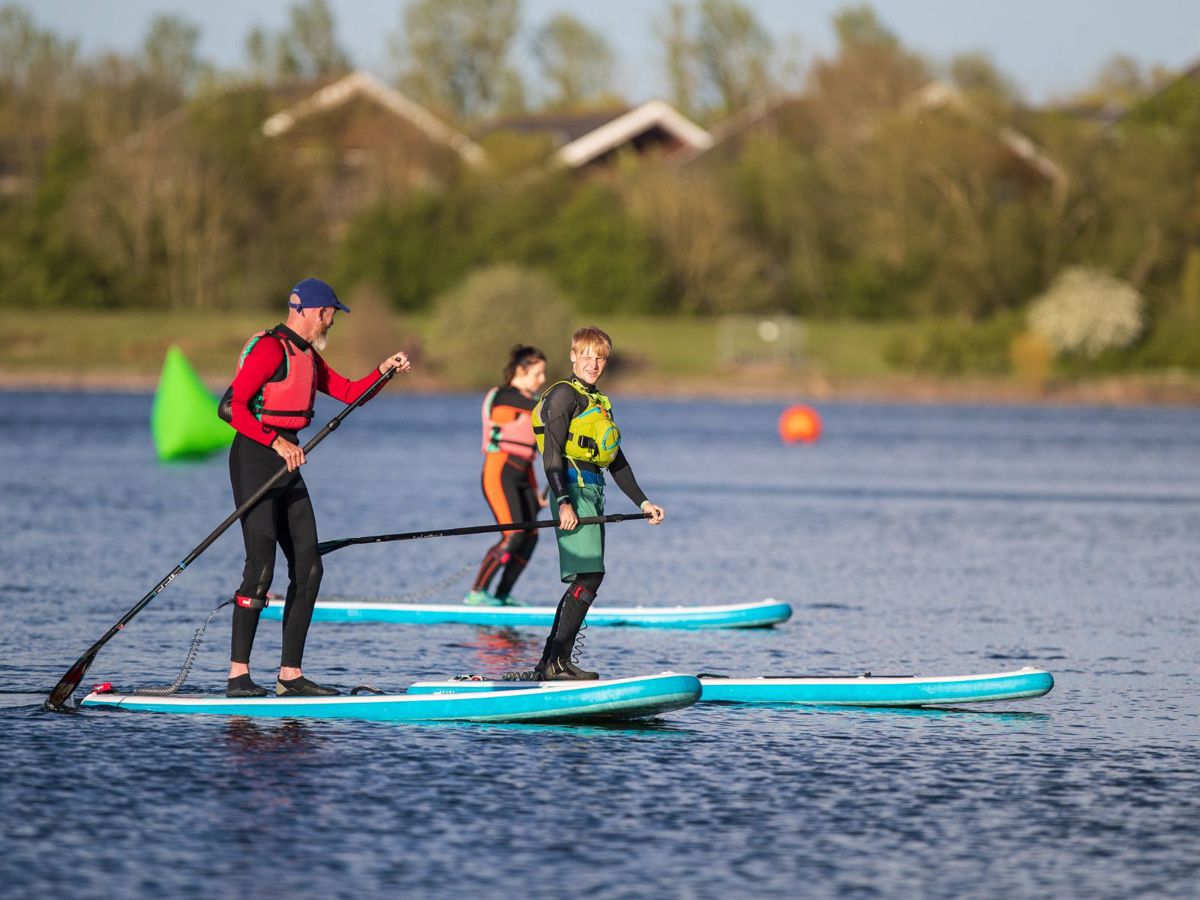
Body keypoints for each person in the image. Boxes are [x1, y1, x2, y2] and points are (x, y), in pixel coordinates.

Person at [224, 277, 411, 698]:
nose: (332, 321)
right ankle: (238, 677)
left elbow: (349, 393)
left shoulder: (307, 356)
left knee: (309, 566)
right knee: (260, 569)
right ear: (310, 311)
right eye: (330, 313)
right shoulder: (272, 348)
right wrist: (275, 441)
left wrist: (383, 371)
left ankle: (290, 675)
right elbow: (232, 407)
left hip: (287, 462)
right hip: (255, 457)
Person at [521, 326, 665, 680]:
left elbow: (616, 461)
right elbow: (552, 454)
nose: (593, 363)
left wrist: (643, 502)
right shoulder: (563, 396)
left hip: (593, 491)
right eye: (586, 355)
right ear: (573, 356)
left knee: (590, 576)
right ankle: (554, 662)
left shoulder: (599, 403)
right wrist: (564, 502)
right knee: (589, 574)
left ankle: (552, 662)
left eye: (600, 357)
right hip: (571, 488)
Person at [465, 345, 548, 606]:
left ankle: (501, 596)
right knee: (513, 535)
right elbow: (538, 407)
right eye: (538, 373)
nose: (542, 380)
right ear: (521, 371)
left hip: (523, 476)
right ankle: (477, 593)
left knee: (531, 536)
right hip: (499, 472)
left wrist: (536, 491)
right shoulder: (503, 396)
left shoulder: (532, 404)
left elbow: (530, 456)